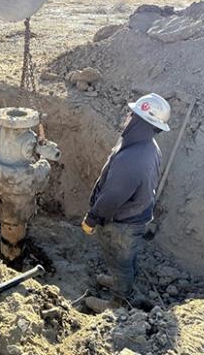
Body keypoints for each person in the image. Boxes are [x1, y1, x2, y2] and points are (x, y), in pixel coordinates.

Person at [81, 93, 171, 313]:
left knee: (120, 260)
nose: (127, 115)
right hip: (135, 216)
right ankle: (119, 281)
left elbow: (112, 196)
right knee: (124, 259)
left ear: (140, 121)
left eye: (132, 113)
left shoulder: (132, 159)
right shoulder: (146, 146)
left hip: (123, 223)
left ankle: (118, 303)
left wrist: (92, 219)